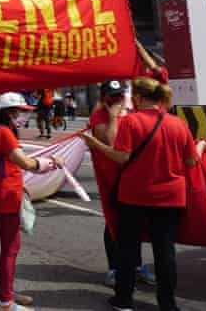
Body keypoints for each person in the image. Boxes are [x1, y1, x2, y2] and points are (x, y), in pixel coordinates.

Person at [82, 77, 206, 311]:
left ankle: (124, 300)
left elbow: (121, 157)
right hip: (171, 197)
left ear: (138, 98)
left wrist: (93, 143)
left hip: (134, 196)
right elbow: (191, 160)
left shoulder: (131, 122)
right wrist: (201, 146)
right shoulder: (177, 123)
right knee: (165, 252)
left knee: (128, 249)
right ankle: (167, 304)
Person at [0, 92, 62, 311]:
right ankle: (6, 302)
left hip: (3, 192)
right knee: (10, 247)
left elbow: (8, 165)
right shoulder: (4, 133)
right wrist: (50, 163)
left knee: (10, 246)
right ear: (9, 113)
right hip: (4, 195)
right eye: (20, 112)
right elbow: (26, 163)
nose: (23, 116)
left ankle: (7, 292)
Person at [83, 80, 156, 288]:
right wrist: (114, 117)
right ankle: (114, 268)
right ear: (104, 97)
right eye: (112, 96)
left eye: (119, 95)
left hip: (133, 175)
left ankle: (136, 265)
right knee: (115, 222)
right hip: (112, 177)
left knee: (136, 222)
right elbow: (111, 142)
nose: (117, 100)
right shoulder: (99, 116)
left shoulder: (132, 112)